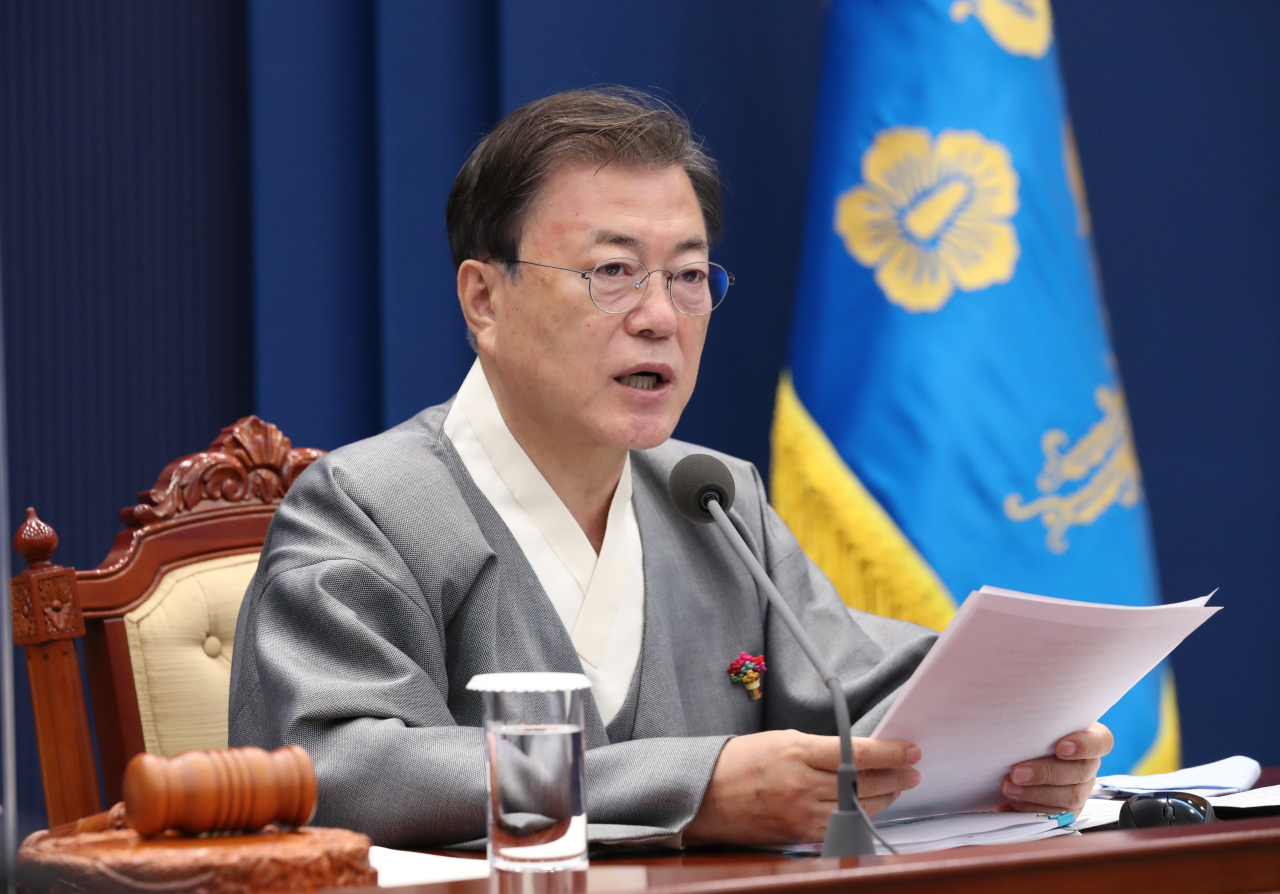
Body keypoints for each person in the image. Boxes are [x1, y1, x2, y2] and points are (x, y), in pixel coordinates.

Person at [228, 88, 1112, 849]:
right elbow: (341, 766)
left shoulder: (710, 496)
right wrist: (693, 790)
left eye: (689, 277)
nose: (660, 316)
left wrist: (1014, 745)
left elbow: (861, 699)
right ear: (484, 299)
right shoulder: (366, 506)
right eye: (613, 271)